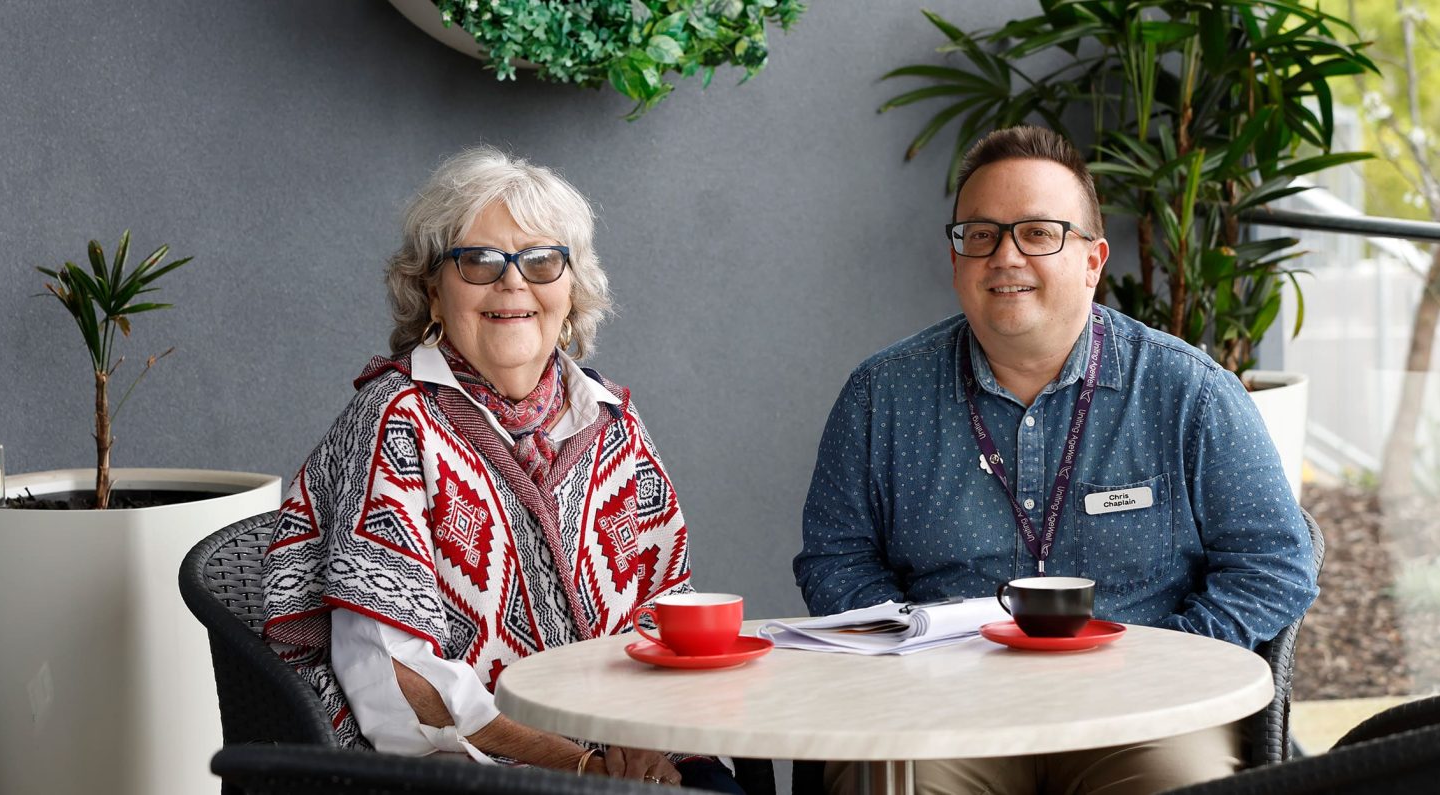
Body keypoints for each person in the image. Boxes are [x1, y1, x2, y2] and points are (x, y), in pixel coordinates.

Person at [792, 126, 1318, 795]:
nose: (1004, 256)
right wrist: (911, 649)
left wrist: (1166, 658)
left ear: (1093, 259)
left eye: (1038, 232)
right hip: (940, 712)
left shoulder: (1188, 392)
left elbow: (1274, 560)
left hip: (1143, 716)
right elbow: (834, 558)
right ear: (954, 259)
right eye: (979, 234)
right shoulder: (881, 395)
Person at [263, 146, 740, 792]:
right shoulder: (395, 419)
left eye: (542, 260)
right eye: (478, 261)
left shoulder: (611, 418)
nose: (512, 282)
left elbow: (663, 613)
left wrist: (639, 750)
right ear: (432, 289)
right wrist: (579, 766)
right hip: (471, 776)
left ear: (570, 293)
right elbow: (393, 675)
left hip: (633, 755)